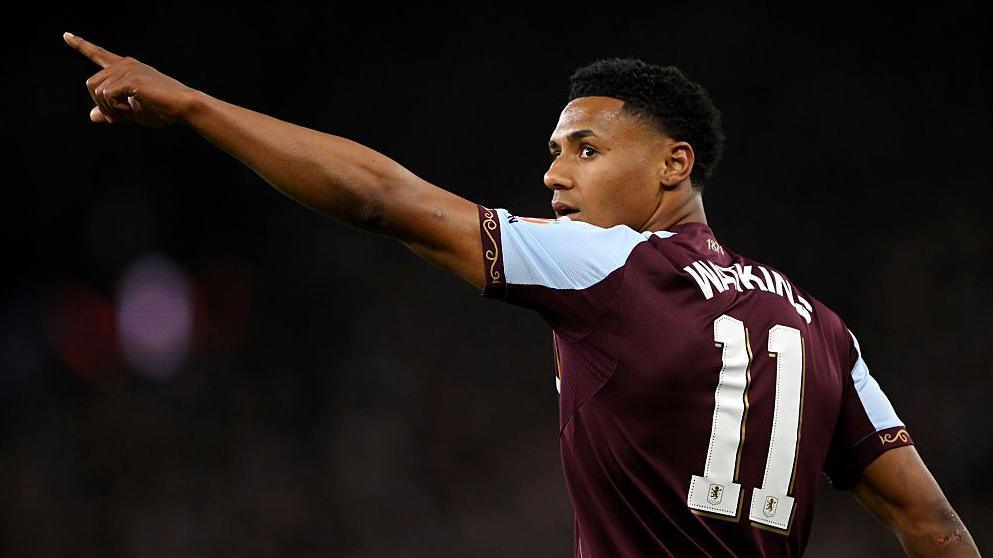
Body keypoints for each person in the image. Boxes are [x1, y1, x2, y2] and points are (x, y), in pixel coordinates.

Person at [63, 32, 979, 557]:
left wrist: (193, 107)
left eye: (584, 148)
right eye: (551, 151)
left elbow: (384, 200)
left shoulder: (613, 264)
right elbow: (928, 520)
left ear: (673, 164)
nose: (553, 175)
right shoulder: (824, 328)